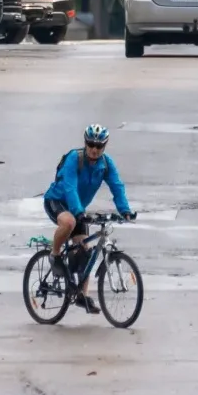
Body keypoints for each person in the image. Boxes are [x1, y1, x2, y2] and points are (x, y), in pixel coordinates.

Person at [43, 124, 135, 314]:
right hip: (57, 201)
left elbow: (117, 186)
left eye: (99, 146)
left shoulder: (106, 165)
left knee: (85, 252)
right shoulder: (74, 159)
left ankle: (81, 296)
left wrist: (125, 210)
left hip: (78, 210)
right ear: (85, 143)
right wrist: (78, 211)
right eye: (91, 144)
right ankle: (55, 254)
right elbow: (69, 187)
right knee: (69, 223)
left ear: (105, 146)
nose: (94, 149)